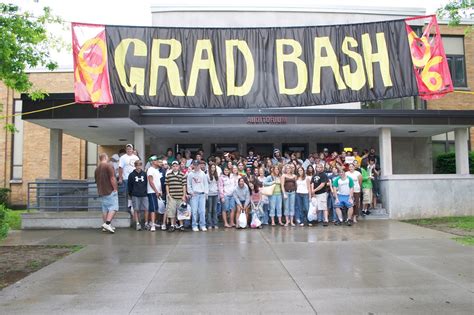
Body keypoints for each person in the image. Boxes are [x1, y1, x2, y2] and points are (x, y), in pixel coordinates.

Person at [95, 153, 118, 233]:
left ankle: (105, 225)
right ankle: (107, 224)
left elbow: (96, 181)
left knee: (105, 210)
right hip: (109, 190)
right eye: (107, 157)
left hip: (101, 191)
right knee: (114, 207)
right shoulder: (108, 166)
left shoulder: (97, 168)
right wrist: (115, 188)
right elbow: (112, 178)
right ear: (105, 157)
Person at [187, 160, 209, 232]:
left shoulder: (203, 174)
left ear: (199, 165)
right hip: (194, 195)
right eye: (195, 165)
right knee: (194, 211)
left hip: (202, 194)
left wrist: (206, 193)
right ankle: (194, 225)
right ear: (193, 165)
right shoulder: (190, 174)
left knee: (202, 211)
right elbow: (188, 184)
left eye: (197, 165)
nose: (196, 166)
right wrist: (191, 192)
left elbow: (206, 184)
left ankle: (202, 225)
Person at [165, 160, 187, 231]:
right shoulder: (168, 175)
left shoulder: (182, 175)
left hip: (180, 196)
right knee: (172, 211)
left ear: (178, 166)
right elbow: (167, 185)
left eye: (176, 166)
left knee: (181, 211)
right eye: (173, 166)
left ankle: (181, 225)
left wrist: (184, 195)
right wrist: (168, 194)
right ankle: (172, 225)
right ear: (172, 167)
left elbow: (184, 185)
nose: (175, 167)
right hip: (172, 196)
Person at [128, 160, 149, 231]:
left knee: (146, 209)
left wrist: (146, 192)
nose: (138, 166)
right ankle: (137, 223)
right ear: (135, 166)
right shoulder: (131, 175)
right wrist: (131, 194)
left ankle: (146, 223)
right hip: (135, 194)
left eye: (140, 165)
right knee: (136, 209)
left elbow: (147, 183)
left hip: (144, 194)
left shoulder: (144, 174)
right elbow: (129, 186)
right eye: (137, 165)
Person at [118, 144, 139, 211]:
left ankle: (133, 206)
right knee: (128, 192)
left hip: (135, 178)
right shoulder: (123, 157)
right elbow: (120, 168)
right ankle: (129, 206)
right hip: (126, 178)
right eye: (128, 149)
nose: (129, 150)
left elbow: (138, 167)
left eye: (130, 148)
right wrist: (120, 178)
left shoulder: (136, 157)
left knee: (135, 192)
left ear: (132, 149)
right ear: (126, 150)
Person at [146, 155, 162, 232]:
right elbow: (151, 181)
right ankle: (152, 224)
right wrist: (156, 191)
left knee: (156, 208)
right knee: (152, 208)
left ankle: (153, 222)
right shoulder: (150, 170)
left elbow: (158, 182)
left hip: (157, 192)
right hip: (152, 192)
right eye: (155, 160)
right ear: (152, 162)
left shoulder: (156, 170)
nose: (157, 161)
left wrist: (159, 191)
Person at [206, 163, 219, 229]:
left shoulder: (216, 175)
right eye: (212, 167)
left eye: (214, 167)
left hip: (215, 194)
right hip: (209, 194)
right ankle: (209, 224)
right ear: (210, 168)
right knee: (209, 210)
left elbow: (218, 184)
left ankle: (215, 223)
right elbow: (206, 185)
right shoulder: (207, 175)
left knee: (215, 209)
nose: (213, 168)